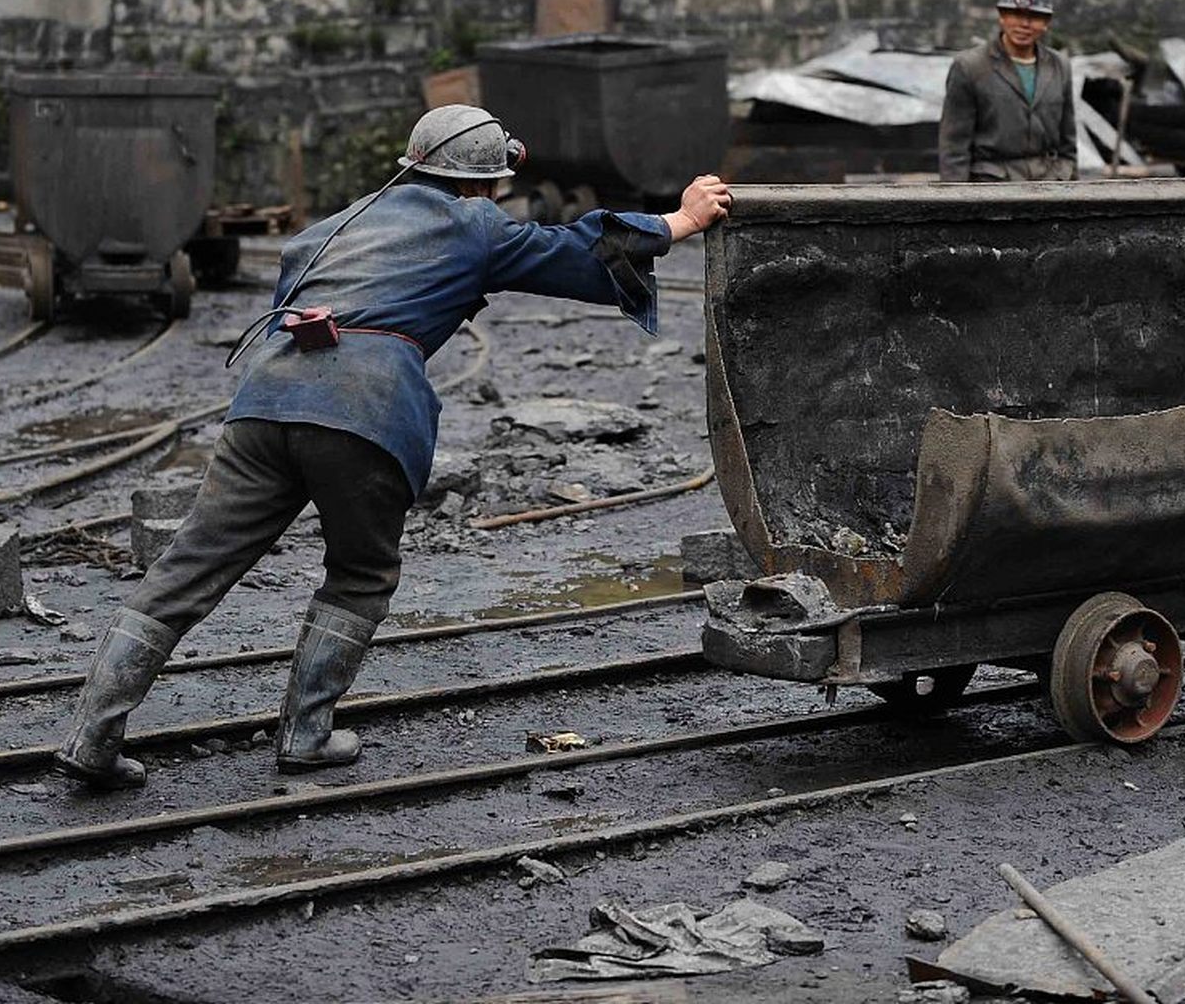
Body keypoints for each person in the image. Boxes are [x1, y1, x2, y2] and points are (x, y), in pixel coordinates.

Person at [54, 104, 733, 790]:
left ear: (414, 164)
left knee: (186, 570)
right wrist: (677, 221)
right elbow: (572, 252)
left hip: (263, 403)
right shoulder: (474, 223)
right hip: (364, 410)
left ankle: (91, 738)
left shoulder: (330, 228)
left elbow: (300, 294)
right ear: (481, 182)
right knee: (360, 573)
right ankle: (307, 736)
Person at [938, 0, 1078, 182]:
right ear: (1002, 16)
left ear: (1047, 22)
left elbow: (1068, 144)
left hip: (1049, 187)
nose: (1024, 24)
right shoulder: (970, 66)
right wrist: (957, 206)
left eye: (1035, 17)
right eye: (1015, 14)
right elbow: (954, 149)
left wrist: (1071, 189)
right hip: (992, 188)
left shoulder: (1059, 66)